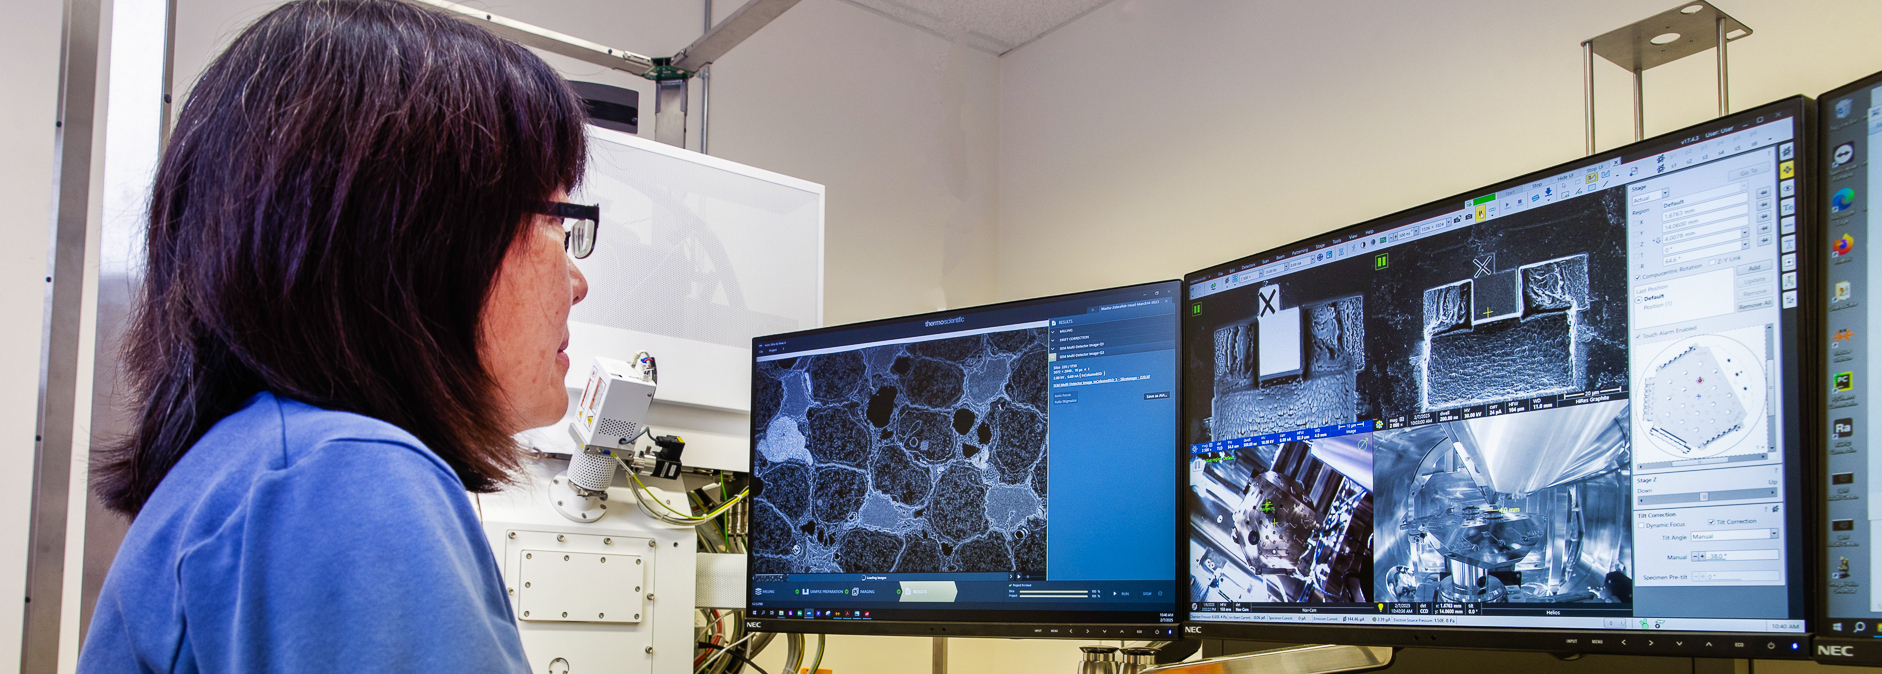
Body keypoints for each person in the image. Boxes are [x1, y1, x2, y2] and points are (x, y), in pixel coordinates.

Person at [78, 0, 595, 670]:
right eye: (558, 221)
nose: (576, 282)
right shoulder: (342, 476)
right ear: (425, 236)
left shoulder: (267, 461)